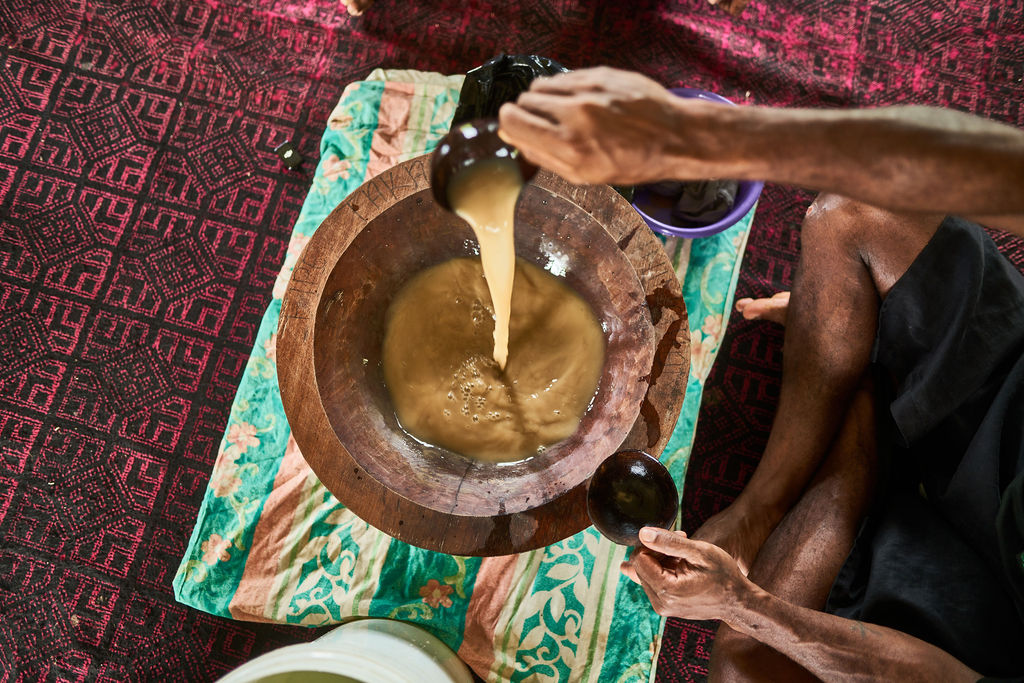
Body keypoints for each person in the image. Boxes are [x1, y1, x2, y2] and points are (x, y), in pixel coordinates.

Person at [499, 66, 1024, 681]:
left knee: (742, 669)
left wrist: (744, 605)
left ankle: (866, 402)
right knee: (854, 214)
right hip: (1006, 397)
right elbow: (994, 171)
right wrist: (704, 134)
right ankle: (766, 503)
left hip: (994, 619)